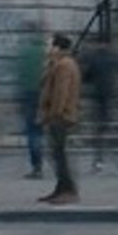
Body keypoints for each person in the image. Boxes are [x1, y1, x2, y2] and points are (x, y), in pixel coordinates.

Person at [36, 32, 81, 205]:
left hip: (60, 117)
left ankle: (68, 189)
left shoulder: (64, 65)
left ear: (57, 47)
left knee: (59, 154)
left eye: (49, 45)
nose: (46, 48)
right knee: (56, 153)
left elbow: (60, 93)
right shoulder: (58, 63)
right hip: (59, 116)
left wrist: (53, 115)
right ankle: (61, 188)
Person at [79, 37, 118, 171]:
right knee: (110, 127)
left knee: (99, 130)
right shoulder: (112, 56)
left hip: (98, 96)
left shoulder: (93, 57)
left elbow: (86, 76)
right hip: (109, 95)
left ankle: (99, 160)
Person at [13, 22, 46, 179]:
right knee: (47, 131)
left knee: (33, 132)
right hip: (45, 95)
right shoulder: (46, 53)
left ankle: (37, 166)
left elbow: (19, 75)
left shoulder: (24, 53)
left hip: (29, 94)